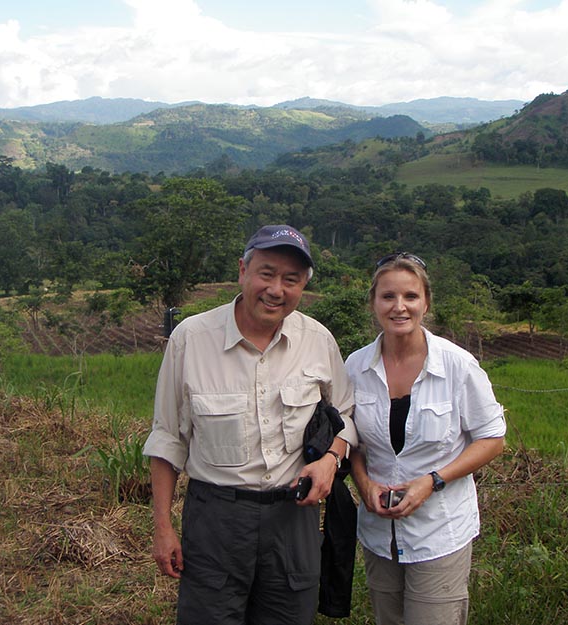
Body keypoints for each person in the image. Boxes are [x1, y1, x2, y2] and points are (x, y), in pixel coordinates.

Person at [143, 224, 357, 625]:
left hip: (293, 518)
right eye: (266, 273)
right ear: (242, 270)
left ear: (303, 287)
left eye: (290, 280)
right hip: (216, 519)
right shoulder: (192, 338)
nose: (276, 289)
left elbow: (345, 415)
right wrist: (162, 527)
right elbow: (167, 439)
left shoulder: (318, 340)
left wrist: (331, 458)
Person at [345, 252, 506, 625]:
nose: (399, 307)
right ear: (373, 302)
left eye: (410, 297)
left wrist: (432, 482)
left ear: (426, 302)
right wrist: (363, 483)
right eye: (388, 297)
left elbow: (492, 438)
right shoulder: (355, 367)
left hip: (440, 530)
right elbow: (350, 438)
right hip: (378, 531)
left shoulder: (456, 365)